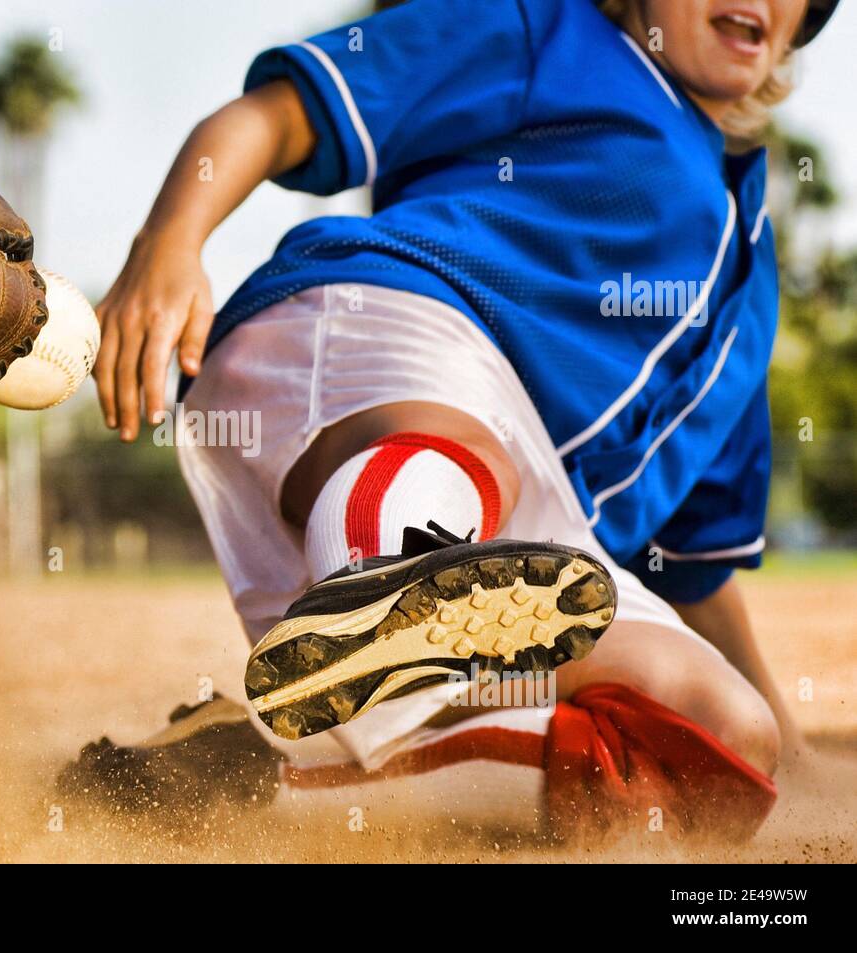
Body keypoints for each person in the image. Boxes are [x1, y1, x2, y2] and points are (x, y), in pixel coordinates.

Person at [81, 0, 842, 837]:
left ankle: (241, 774)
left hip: (530, 532)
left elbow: (694, 569)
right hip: (377, 332)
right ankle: (396, 584)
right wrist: (170, 238)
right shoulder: (548, 32)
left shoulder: (752, 280)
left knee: (717, 738)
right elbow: (280, 114)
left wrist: (792, 748)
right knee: (474, 461)